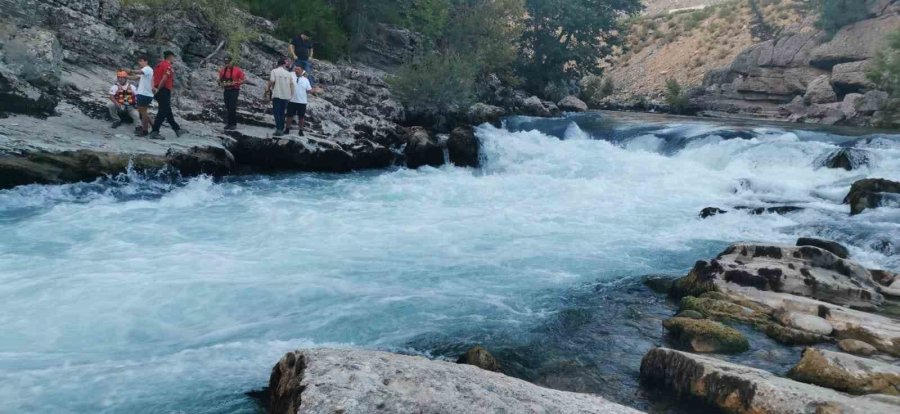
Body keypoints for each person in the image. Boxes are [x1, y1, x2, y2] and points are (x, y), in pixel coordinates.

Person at [149, 51, 186, 140]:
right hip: (163, 90)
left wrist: (153, 87)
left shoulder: (159, 65)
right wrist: (158, 88)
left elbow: (153, 77)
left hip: (158, 89)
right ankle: (155, 131)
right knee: (162, 111)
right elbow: (164, 78)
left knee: (167, 111)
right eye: (173, 57)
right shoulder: (167, 66)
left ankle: (177, 129)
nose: (174, 59)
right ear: (170, 57)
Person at [266, 57, 295, 137]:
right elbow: (292, 85)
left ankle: (279, 129)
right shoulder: (288, 73)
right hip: (286, 96)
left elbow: (272, 81)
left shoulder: (274, 71)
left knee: (276, 112)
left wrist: (267, 90)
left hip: (277, 95)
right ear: (283, 64)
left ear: (278, 64)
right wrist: (291, 95)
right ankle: (281, 128)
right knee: (282, 113)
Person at [218, 55, 245, 131]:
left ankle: (233, 124)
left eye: (228, 62)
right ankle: (229, 123)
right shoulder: (222, 70)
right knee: (227, 107)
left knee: (232, 107)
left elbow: (243, 80)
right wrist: (220, 83)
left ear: (231, 62)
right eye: (225, 62)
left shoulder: (237, 70)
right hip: (226, 90)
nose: (227, 64)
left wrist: (235, 83)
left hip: (234, 90)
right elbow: (220, 80)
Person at [129, 56, 154, 136]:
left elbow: (138, 73)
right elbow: (135, 77)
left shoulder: (147, 69)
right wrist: (125, 76)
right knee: (144, 112)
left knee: (143, 113)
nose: (139, 63)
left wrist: (130, 70)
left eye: (141, 61)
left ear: (146, 61)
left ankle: (145, 131)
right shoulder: (146, 70)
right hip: (145, 94)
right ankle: (154, 128)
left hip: (144, 94)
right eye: (139, 61)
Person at [285, 65, 314, 136]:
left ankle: (301, 130)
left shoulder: (306, 80)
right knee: (289, 116)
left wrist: (316, 90)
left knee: (301, 117)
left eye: (298, 69)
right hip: (291, 100)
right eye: (296, 69)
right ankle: (287, 129)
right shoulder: (291, 77)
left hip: (302, 102)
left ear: (302, 71)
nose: (296, 70)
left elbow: (309, 90)